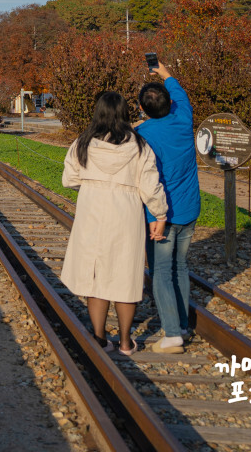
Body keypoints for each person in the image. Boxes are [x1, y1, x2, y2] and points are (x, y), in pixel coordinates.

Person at [61, 91, 167, 355]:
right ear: (124, 113)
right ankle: (125, 341)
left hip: (92, 211)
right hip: (126, 212)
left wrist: (91, 185)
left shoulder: (83, 143)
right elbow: (151, 186)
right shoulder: (140, 146)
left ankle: (98, 337)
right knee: (125, 274)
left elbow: (69, 179)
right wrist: (160, 215)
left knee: (95, 274)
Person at [138, 60, 201, 354]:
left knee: (161, 271)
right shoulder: (184, 116)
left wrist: (153, 216)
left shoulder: (144, 135)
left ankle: (173, 334)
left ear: (143, 109)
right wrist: (163, 73)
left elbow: (151, 181)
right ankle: (184, 326)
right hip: (189, 208)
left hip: (162, 214)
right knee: (180, 266)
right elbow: (179, 93)